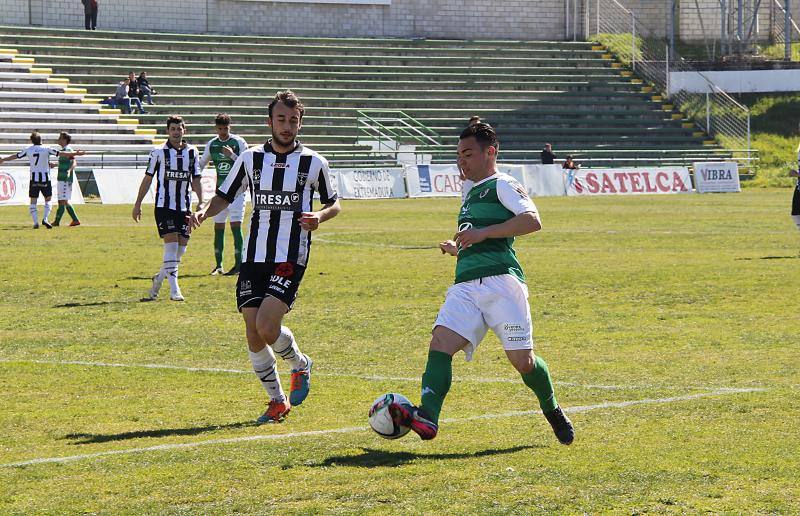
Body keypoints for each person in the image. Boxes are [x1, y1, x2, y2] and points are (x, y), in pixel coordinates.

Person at [388, 123, 575, 445]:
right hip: (465, 285)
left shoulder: (503, 184)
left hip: (502, 283)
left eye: (468, 154)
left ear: (491, 152)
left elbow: (532, 221)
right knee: (440, 345)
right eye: (459, 155)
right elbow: (476, 235)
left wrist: (483, 233)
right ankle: (428, 417)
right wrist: (459, 247)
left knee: (523, 361)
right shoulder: (469, 190)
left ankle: (552, 408)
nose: (462, 162)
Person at [189, 90, 341, 424]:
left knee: (268, 325)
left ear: (301, 122)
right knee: (253, 331)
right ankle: (276, 401)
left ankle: (300, 364)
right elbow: (225, 196)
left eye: (293, 120)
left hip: (291, 253)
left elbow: (334, 203)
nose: (287, 126)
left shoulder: (314, 162)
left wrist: (320, 217)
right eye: (282, 119)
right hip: (255, 254)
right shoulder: (251, 158)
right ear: (269, 121)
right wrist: (203, 211)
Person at [133, 115, 203, 302]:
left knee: (180, 251)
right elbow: (148, 178)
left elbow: (196, 178)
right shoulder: (158, 152)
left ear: (184, 130)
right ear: (167, 131)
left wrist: (201, 201)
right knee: (171, 246)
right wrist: (138, 203)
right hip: (164, 206)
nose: (176, 132)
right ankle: (174, 290)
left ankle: (159, 278)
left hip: (185, 207)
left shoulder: (193, 152)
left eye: (179, 128)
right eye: (173, 129)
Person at [0, 132, 84, 229]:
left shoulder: (28, 149)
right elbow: (62, 153)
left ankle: (36, 222)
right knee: (48, 199)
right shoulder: (46, 149)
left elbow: (17, 155)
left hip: (34, 179)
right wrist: (76, 153)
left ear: (32, 141)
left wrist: (4, 159)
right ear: (41, 140)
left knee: (33, 201)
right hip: (45, 179)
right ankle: (45, 218)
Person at [199, 114, 249, 276]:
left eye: (225, 129)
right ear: (216, 128)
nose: (222, 132)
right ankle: (219, 265)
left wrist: (232, 156)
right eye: (220, 129)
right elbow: (200, 164)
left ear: (230, 127)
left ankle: (239, 265)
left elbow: (247, 164)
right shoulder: (212, 144)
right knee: (218, 226)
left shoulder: (239, 142)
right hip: (220, 192)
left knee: (236, 226)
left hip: (237, 192)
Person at [53, 132, 81, 227]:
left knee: (64, 200)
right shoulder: (64, 150)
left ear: (64, 140)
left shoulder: (68, 149)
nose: (58, 139)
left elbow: (74, 162)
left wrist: (69, 170)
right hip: (61, 179)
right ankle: (57, 222)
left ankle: (75, 219)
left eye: (60, 138)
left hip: (65, 179)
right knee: (61, 200)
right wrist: (55, 164)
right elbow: (65, 162)